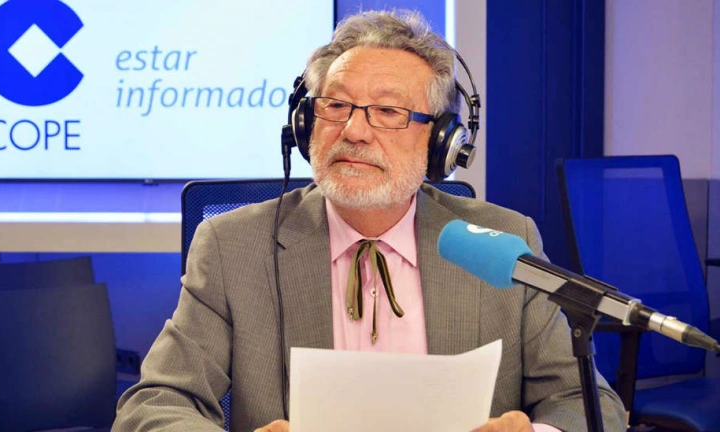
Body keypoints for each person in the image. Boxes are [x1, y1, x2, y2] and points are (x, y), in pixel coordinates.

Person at [113, 9, 626, 432]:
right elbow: (155, 405)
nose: (354, 131)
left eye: (388, 112)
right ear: (305, 124)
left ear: (441, 142)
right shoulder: (234, 246)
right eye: (335, 105)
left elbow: (587, 403)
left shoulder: (505, 243)